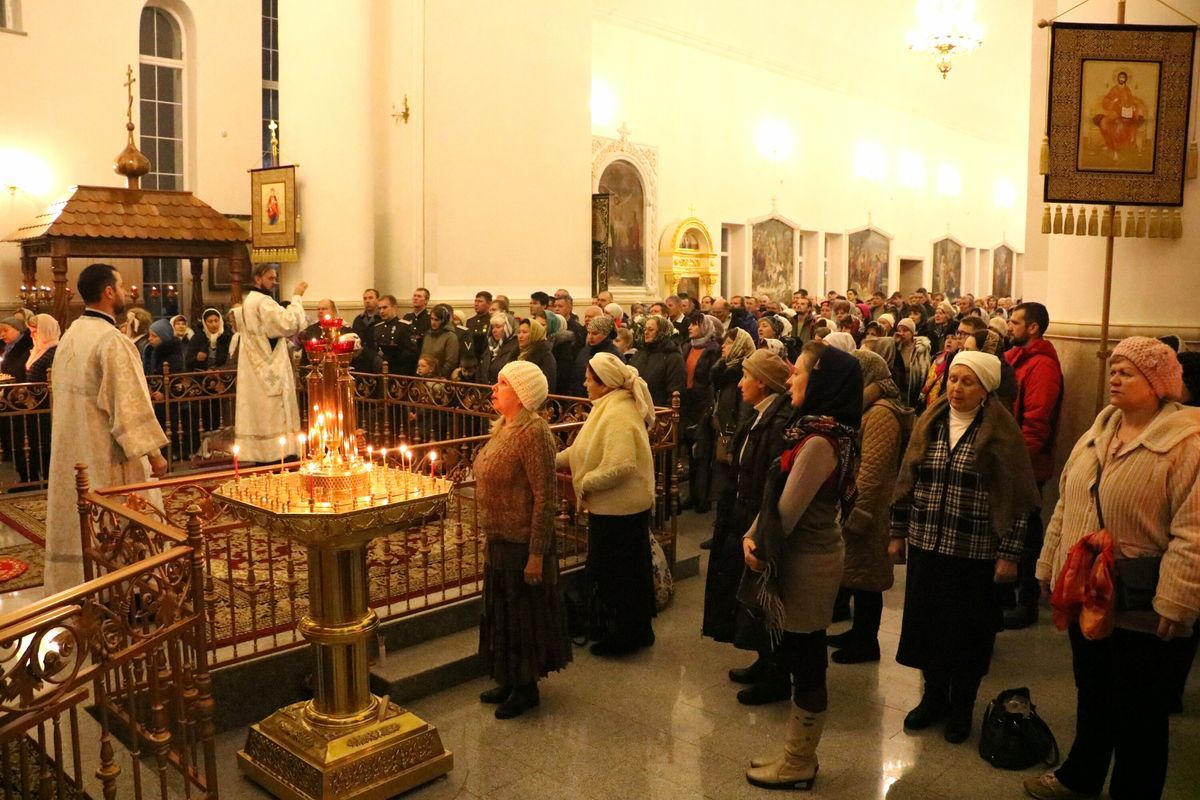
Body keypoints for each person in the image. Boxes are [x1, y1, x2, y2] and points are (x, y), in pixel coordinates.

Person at [1024, 338, 1200, 800]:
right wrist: (1049, 562)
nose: (1115, 377)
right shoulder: (1097, 431)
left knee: (1140, 714)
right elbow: (1067, 503)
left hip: (1139, 599)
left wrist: (1177, 599)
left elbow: (1194, 531)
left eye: (1128, 372)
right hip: (1088, 592)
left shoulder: (1187, 443)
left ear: (1158, 384)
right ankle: (1081, 774)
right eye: (1114, 369)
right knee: (1093, 692)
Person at [889, 351, 1039, 744]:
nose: (956, 388)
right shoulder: (931, 422)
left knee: (967, 635)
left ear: (985, 389)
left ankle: (962, 706)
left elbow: (1016, 500)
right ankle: (933, 697)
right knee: (928, 628)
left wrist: (1009, 555)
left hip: (974, 553)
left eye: (967, 382)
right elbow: (907, 480)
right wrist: (897, 532)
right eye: (953, 379)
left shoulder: (1002, 433)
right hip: (928, 546)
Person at [739, 342, 862, 790]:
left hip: (809, 562)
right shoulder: (813, 431)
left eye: (800, 372)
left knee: (805, 660)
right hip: (804, 557)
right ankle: (796, 752)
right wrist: (753, 532)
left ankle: (798, 761)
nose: (790, 378)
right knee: (799, 657)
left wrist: (756, 543)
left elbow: (786, 512)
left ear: (822, 382)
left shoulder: (820, 443)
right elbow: (776, 500)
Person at [45, 263, 169, 594]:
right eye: (122, 285)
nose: (127, 292)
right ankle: (128, 595)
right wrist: (154, 455)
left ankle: (84, 591)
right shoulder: (112, 341)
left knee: (83, 520)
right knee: (119, 522)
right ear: (109, 291)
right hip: (105, 455)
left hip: (73, 452)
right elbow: (129, 405)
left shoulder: (71, 334)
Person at [474, 360, 573, 718]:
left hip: (522, 543)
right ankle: (508, 677)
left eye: (502, 383)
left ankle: (526, 687)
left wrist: (536, 554)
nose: (494, 388)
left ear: (521, 394)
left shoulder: (534, 432)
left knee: (521, 617)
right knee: (502, 612)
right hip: (500, 538)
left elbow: (545, 497)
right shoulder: (505, 427)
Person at [704, 348, 793, 705]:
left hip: (758, 517)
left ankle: (776, 675)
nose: (740, 384)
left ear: (764, 383)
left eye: (746, 377)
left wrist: (758, 526)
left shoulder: (779, 421)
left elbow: (773, 480)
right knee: (749, 596)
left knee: (764, 596)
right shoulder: (759, 415)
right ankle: (763, 659)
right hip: (743, 513)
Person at [557, 352, 657, 656]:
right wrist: (551, 460)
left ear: (605, 383)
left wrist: (584, 483)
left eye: (589, 379)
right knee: (626, 572)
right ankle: (634, 630)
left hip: (620, 512)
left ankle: (623, 636)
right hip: (616, 509)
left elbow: (622, 465)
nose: (584, 383)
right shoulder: (607, 406)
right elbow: (581, 450)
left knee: (618, 576)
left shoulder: (618, 414)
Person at [828, 349, 911, 664]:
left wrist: (857, 511)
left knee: (869, 577)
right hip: (861, 504)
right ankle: (858, 633)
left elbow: (873, 471)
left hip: (871, 510)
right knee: (858, 574)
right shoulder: (867, 407)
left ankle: (867, 642)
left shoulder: (880, 413)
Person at [1004, 301, 1064, 629]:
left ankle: (1026, 600)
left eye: (1015, 322)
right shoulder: (1015, 358)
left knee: (1026, 531)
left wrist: (1019, 463)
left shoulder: (1042, 367)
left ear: (1033, 328)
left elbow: (1036, 422)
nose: (1009, 327)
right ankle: (1009, 592)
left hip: (1026, 464)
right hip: (1011, 460)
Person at [234, 264, 308, 462]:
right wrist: (297, 297)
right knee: (275, 415)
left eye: (275, 278)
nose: (274, 282)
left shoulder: (248, 302)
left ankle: (263, 456)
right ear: (257, 279)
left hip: (255, 368)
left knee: (261, 414)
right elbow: (289, 323)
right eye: (270, 278)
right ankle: (278, 456)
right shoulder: (263, 302)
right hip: (270, 367)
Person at [680, 313, 721, 512]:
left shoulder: (713, 350)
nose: (690, 327)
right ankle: (693, 494)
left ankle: (703, 497)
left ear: (705, 327)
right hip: (687, 404)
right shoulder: (687, 347)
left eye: (695, 325)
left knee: (702, 452)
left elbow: (712, 380)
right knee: (690, 451)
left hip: (703, 403)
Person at [629, 314, 685, 408]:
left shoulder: (673, 357)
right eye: (645, 329)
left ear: (662, 332)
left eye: (651, 330)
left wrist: (666, 414)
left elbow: (676, 389)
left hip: (659, 411)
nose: (646, 332)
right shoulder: (639, 354)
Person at [568, 315, 620, 397]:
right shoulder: (585, 350)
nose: (590, 337)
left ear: (606, 334)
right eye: (589, 333)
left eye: (595, 333)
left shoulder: (613, 355)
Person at [373, 294, 417, 375]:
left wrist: (394, 354)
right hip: (382, 370)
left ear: (394, 308)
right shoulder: (378, 327)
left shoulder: (404, 326)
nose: (381, 311)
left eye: (385, 307)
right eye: (379, 308)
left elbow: (412, 352)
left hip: (400, 370)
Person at [894, 317, 931, 409]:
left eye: (905, 330)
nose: (902, 333)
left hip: (915, 388)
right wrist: (893, 344)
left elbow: (924, 370)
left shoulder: (921, 349)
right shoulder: (897, 347)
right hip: (900, 389)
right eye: (900, 330)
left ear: (912, 332)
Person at [420, 304, 460, 379]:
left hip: (440, 379)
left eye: (436, 320)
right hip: (424, 376)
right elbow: (423, 355)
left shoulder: (450, 336)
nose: (433, 322)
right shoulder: (428, 334)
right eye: (432, 319)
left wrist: (438, 375)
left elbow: (451, 362)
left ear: (443, 321)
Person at [477, 312, 518, 385]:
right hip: (486, 389)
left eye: (498, 327)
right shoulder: (491, 346)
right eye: (493, 327)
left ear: (508, 328)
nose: (494, 331)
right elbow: (481, 370)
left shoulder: (515, 347)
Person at [516, 318, 556, 392]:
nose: (520, 336)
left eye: (524, 332)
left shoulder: (544, 356)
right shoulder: (519, 353)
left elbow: (547, 385)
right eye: (519, 332)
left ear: (535, 334)